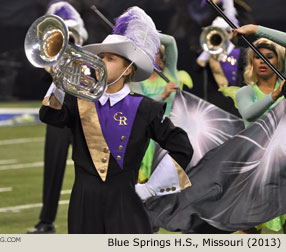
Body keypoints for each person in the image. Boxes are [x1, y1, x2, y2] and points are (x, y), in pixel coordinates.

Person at [39, 6, 193, 233]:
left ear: (128, 69)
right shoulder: (79, 100)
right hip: (83, 202)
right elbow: (49, 115)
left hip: (126, 201)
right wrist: (60, 78)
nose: (101, 62)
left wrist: (151, 188)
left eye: (110, 59)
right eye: (100, 57)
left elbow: (182, 147)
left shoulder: (145, 108)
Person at [27, 0, 88, 234]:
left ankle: (91, 218)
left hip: (83, 115)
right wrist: (51, 64)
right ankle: (46, 221)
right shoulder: (51, 55)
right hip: (58, 113)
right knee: (52, 167)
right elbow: (49, 82)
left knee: (88, 169)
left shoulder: (88, 54)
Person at [234, 32, 286, 233]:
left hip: (283, 164)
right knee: (249, 228)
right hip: (256, 167)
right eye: (257, 56)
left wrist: (257, 28)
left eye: (269, 56)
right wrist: (274, 95)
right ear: (251, 62)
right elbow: (249, 114)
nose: (262, 61)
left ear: (279, 60)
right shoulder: (246, 92)